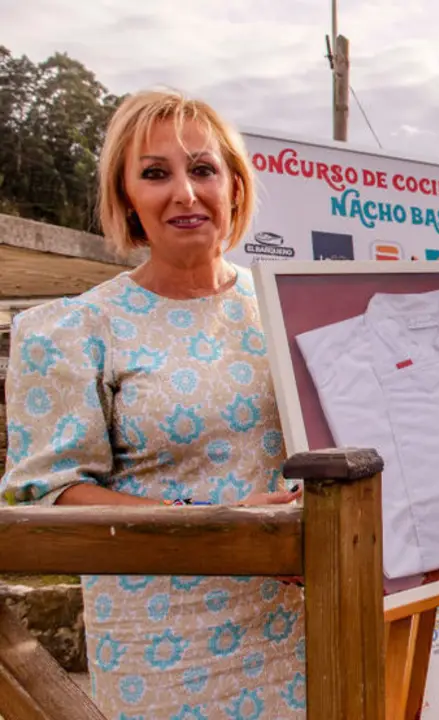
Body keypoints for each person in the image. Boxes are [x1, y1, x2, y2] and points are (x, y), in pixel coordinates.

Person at [0, 89, 306, 717]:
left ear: (235, 188)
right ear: (126, 198)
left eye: (202, 169)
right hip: (164, 643)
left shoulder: (286, 306)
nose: (185, 194)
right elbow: (47, 495)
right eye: (155, 173)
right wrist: (221, 521)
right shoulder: (75, 329)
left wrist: (438, 287)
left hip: (302, 626)